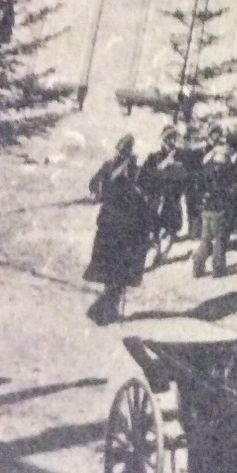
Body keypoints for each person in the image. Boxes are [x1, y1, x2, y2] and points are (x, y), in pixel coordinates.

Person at [84, 134, 150, 325]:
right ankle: (103, 310)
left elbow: (138, 193)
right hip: (114, 226)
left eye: (125, 149)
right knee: (114, 273)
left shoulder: (131, 170)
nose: (122, 152)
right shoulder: (112, 167)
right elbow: (93, 183)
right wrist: (99, 192)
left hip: (120, 226)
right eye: (122, 149)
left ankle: (103, 310)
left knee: (115, 273)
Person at [191, 124, 236, 279]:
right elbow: (227, 186)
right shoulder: (223, 169)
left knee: (206, 239)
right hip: (219, 207)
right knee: (220, 238)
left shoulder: (207, 166)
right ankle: (218, 267)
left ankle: (197, 263)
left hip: (206, 207)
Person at [140, 125, 186, 265]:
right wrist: (163, 166)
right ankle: (156, 252)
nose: (172, 142)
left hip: (172, 200)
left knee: (172, 229)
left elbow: (185, 177)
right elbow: (144, 177)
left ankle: (163, 254)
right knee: (154, 229)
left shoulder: (180, 158)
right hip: (157, 199)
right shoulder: (154, 157)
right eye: (169, 139)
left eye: (174, 139)